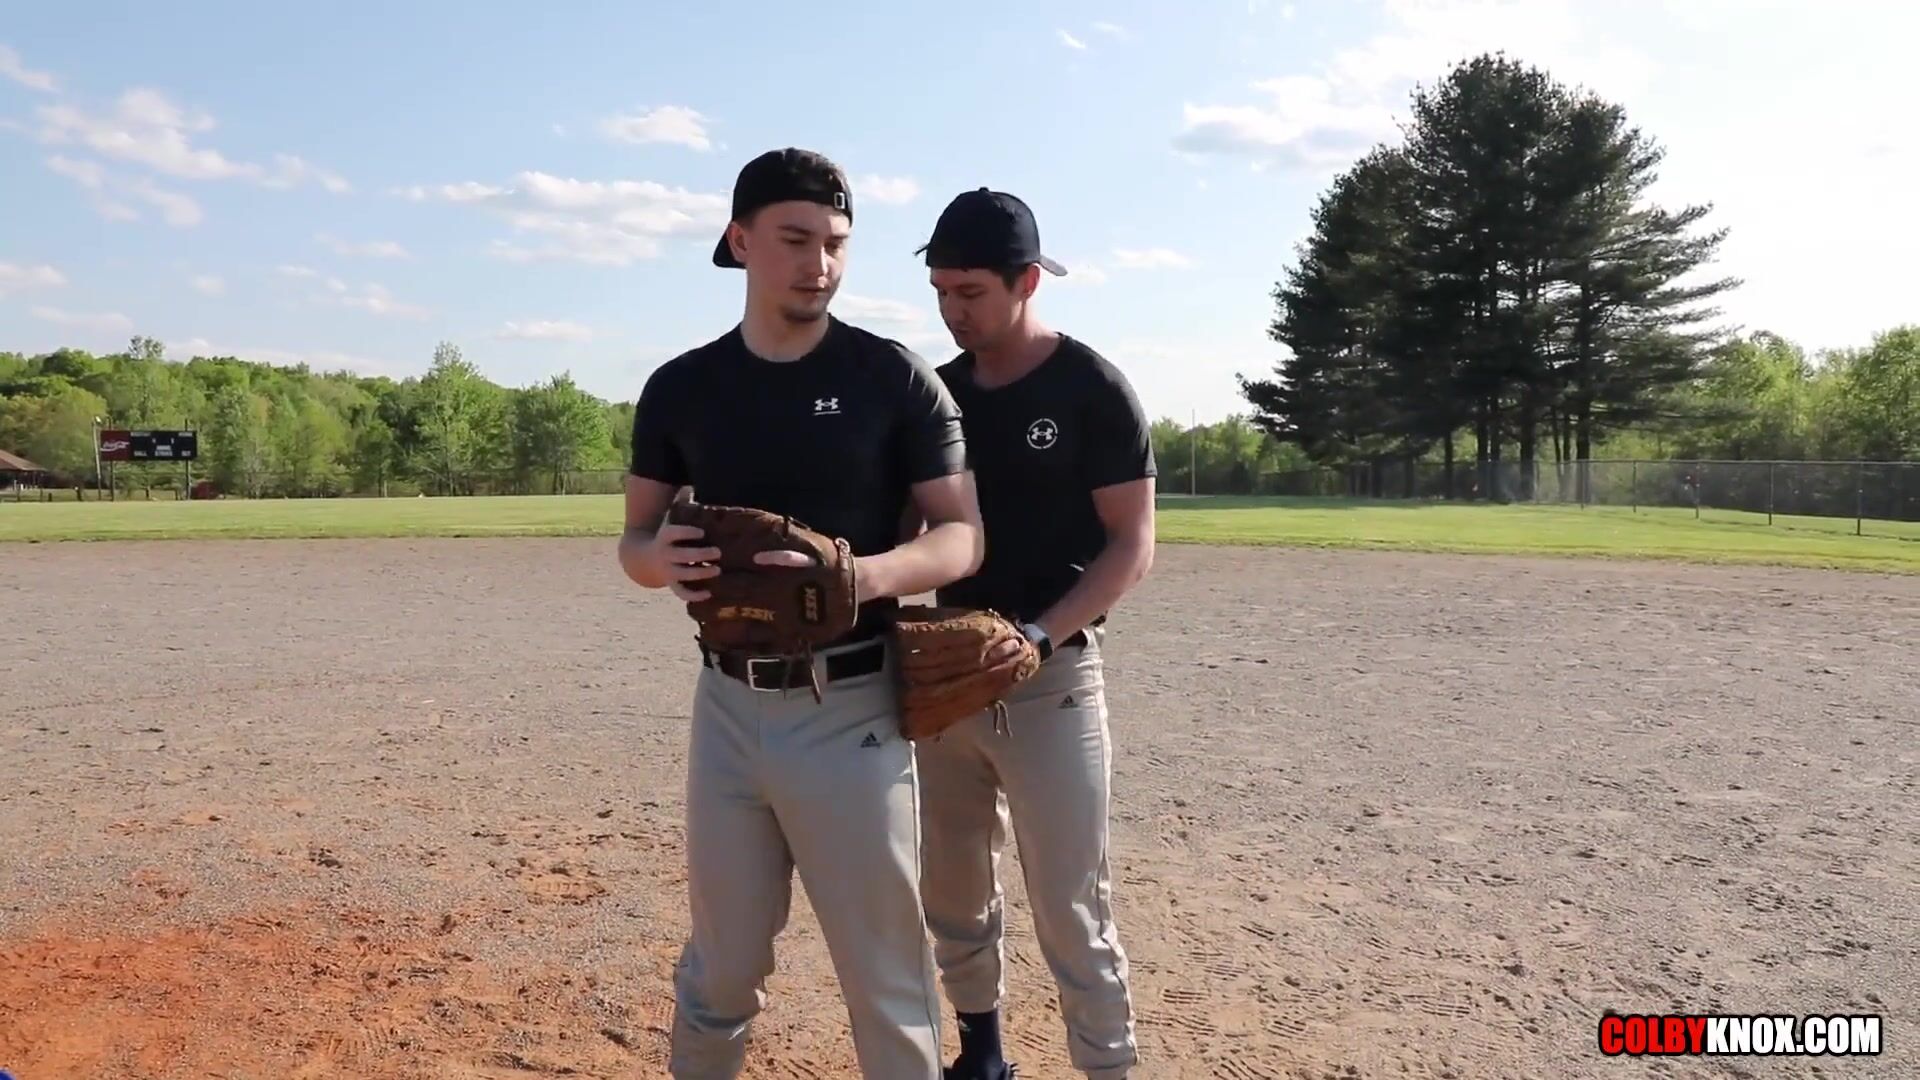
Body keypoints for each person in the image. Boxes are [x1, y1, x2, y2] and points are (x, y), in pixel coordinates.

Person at [618, 148, 987, 1079]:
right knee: (721, 970)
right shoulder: (683, 387)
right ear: (740, 241)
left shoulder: (892, 378)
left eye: (836, 243)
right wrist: (657, 559)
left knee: (886, 976)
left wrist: (860, 576)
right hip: (727, 709)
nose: (819, 264)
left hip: (850, 708)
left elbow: (960, 538)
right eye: (795, 239)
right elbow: (635, 542)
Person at [908, 188, 1157, 1080]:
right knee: (952, 887)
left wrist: (1040, 637)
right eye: (942, 291)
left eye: (971, 291)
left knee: (1071, 903)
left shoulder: (1091, 388)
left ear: (1026, 281)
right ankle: (982, 1055)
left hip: (1052, 682)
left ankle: (1107, 1068)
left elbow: (1131, 545)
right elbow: (910, 527)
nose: (953, 309)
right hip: (945, 678)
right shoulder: (937, 396)